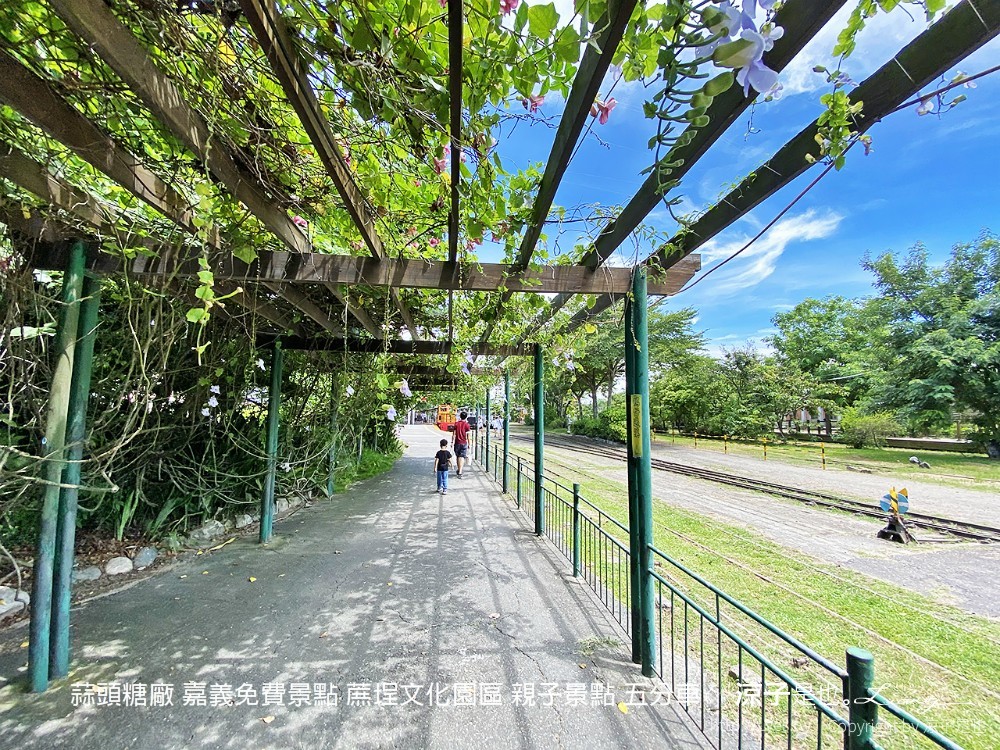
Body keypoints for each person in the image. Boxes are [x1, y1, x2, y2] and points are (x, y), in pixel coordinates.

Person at [451, 410, 470, 478]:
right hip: (464, 442)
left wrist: (452, 442)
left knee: (458, 456)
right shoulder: (467, 425)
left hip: (457, 442)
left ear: (460, 416)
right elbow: (468, 436)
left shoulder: (456, 424)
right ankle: (460, 471)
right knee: (461, 457)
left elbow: (454, 434)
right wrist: (469, 444)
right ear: (466, 417)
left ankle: (459, 470)